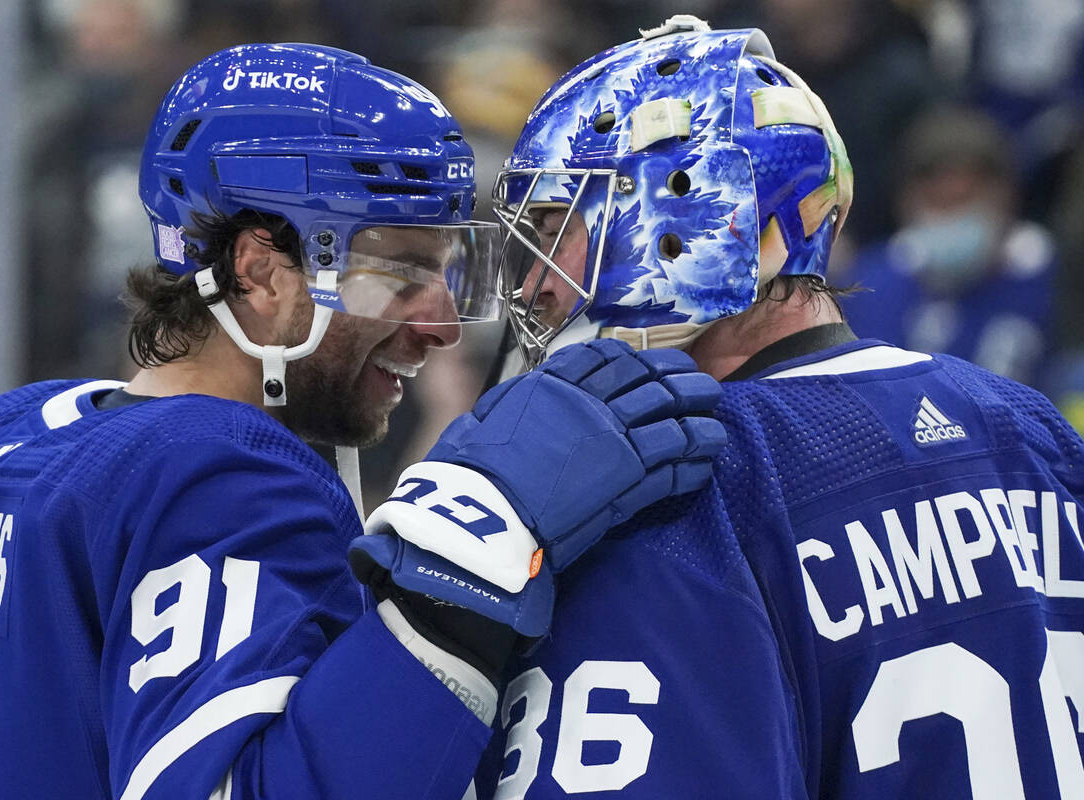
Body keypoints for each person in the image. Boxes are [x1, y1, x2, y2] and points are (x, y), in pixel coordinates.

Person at [0, 43, 723, 800]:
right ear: (259, 271)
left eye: (448, 275)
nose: (436, 326)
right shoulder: (225, 475)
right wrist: (461, 575)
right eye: (399, 272)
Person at [458, 15, 1084, 798]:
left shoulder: (681, 478)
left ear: (687, 219)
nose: (533, 284)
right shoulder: (1028, 428)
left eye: (558, 229)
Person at [839, 104, 1057, 389]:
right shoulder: (871, 283)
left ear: (1007, 197)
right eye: (938, 204)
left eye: (964, 202)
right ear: (905, 202)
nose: (951, 220)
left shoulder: (1053, 275)